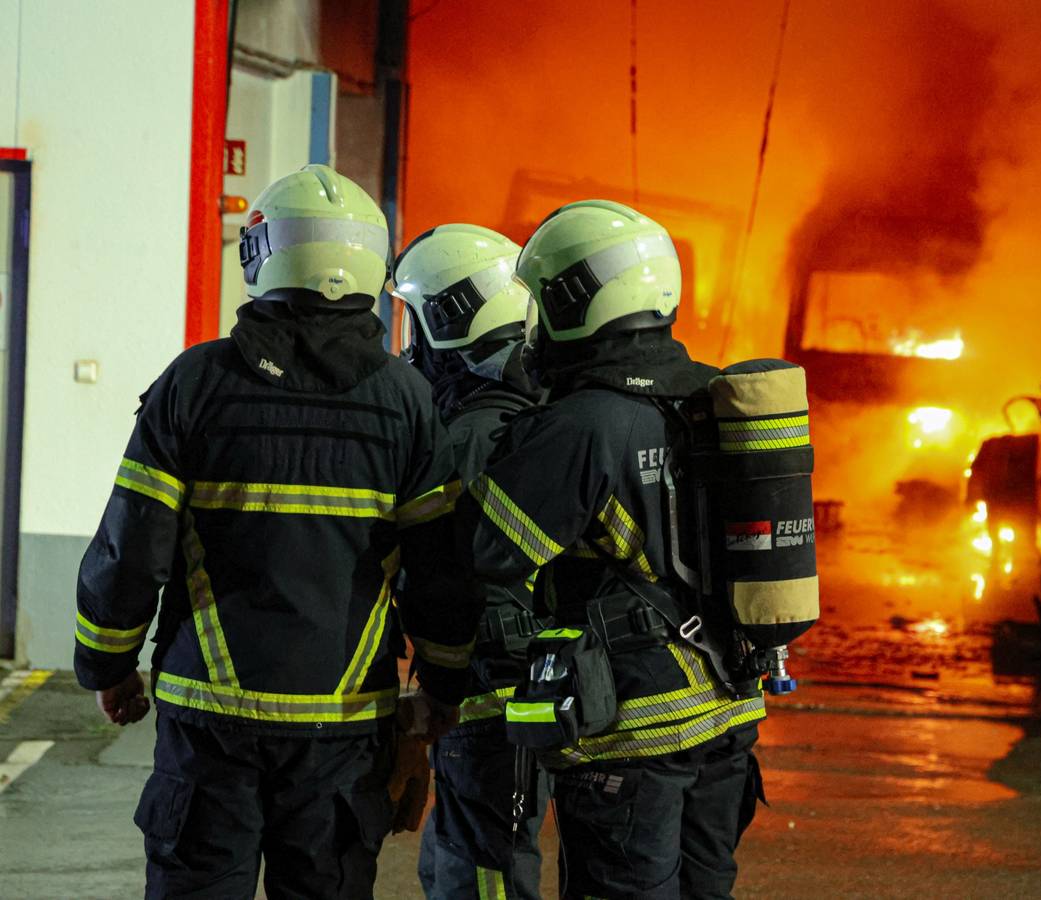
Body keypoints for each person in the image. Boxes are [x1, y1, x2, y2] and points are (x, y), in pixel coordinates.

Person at [74, 164, 478, 899]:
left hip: (210, 725)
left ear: (263, 257)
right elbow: (440, 570)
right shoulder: (410, 401)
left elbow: (131, 547)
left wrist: (107, 664)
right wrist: (443, 687)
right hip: (346, 728)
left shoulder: (194, 384)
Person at [457, 200, 767, 900]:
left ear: (577, 301)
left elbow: (490, 549)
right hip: (730, 713)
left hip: (637, 731)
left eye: (541, 302)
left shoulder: (581, 423)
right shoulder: (712, 393)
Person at [388, 224, 548, 899]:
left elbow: (442, 578)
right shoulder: (535, 406)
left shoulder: (470, 434)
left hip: (486, 691)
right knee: (470, 857)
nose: (406, 344)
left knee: (478, 869)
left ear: (449, 320)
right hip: (522, 685)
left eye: (415, 322)